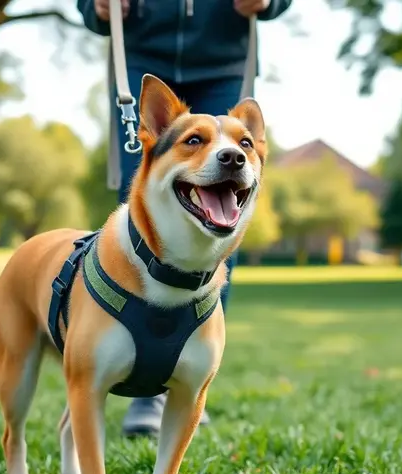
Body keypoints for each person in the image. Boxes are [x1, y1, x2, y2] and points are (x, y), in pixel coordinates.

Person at [79, 0, 293, 438]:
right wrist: (95, 6)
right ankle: (145, 387)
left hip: (225, 61)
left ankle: (191, 381)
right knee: (146, 206)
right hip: (140, 50)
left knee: (223, 199)